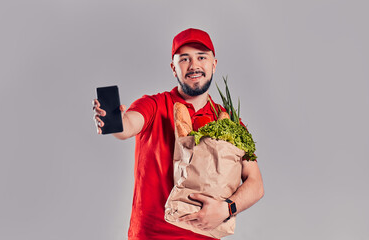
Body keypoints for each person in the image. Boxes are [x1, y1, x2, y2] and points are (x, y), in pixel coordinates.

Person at [93, 28, 264, 240]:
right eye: (185, 59)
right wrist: (112, 120)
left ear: (214, 64)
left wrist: (226, 209)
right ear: (174, 68)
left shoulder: (230, 122)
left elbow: (255, 183)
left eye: (201, 57)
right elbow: (127, 126)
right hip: (151, 236)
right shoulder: (155, 105)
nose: (194, 66)